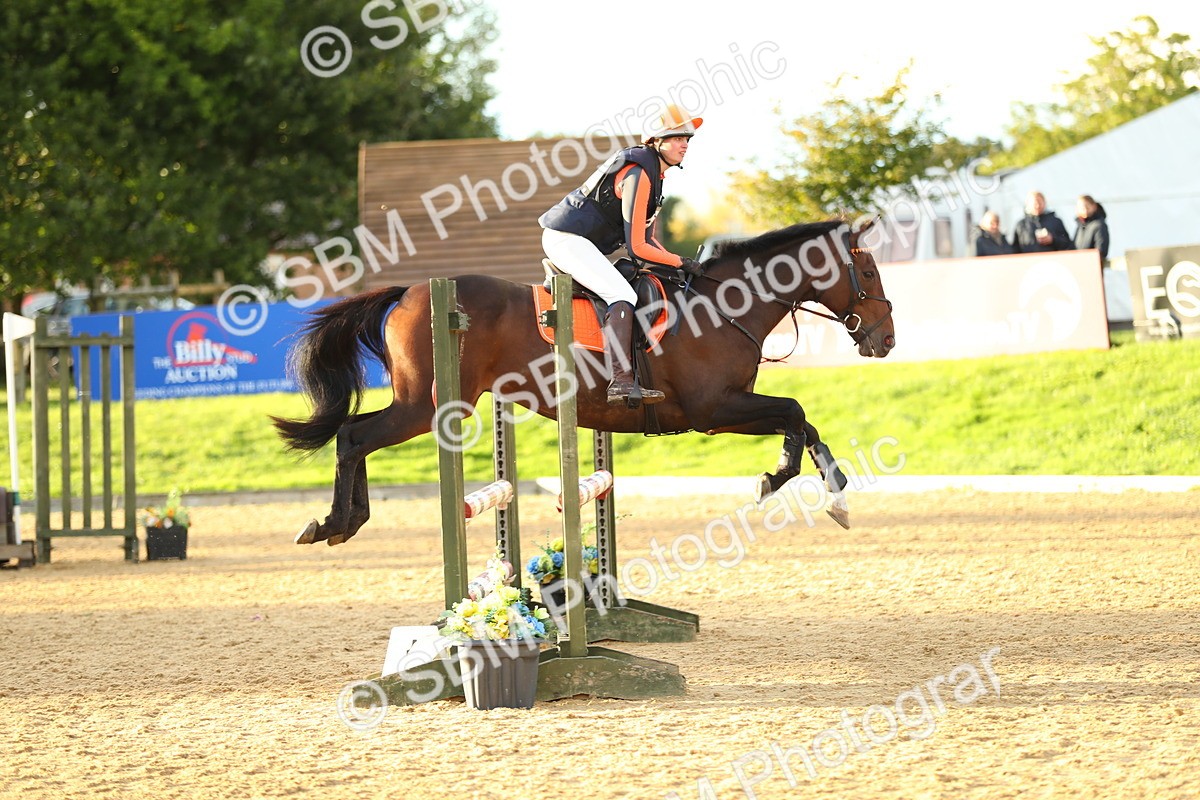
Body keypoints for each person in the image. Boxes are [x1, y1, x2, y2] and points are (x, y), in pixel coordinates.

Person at [539, 104, 705, 406]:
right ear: (656, 141)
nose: (684, 144)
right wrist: (682, 262)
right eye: (677, 138)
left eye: (688, 139)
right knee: (622, 294)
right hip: (566, 239)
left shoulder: (656, 178)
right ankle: (621, 382)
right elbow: (638, 248)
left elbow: (650, 240)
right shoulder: (639, 173)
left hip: (580, 242)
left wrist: (673, 264)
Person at [1073, 194, 1110, 263]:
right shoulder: (1080, 226)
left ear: (1094, 206)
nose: (1084, 210)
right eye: (1081, 208)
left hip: (1092, 267)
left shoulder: (1099, 225)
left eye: (1087, 207)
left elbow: (1101, 251)